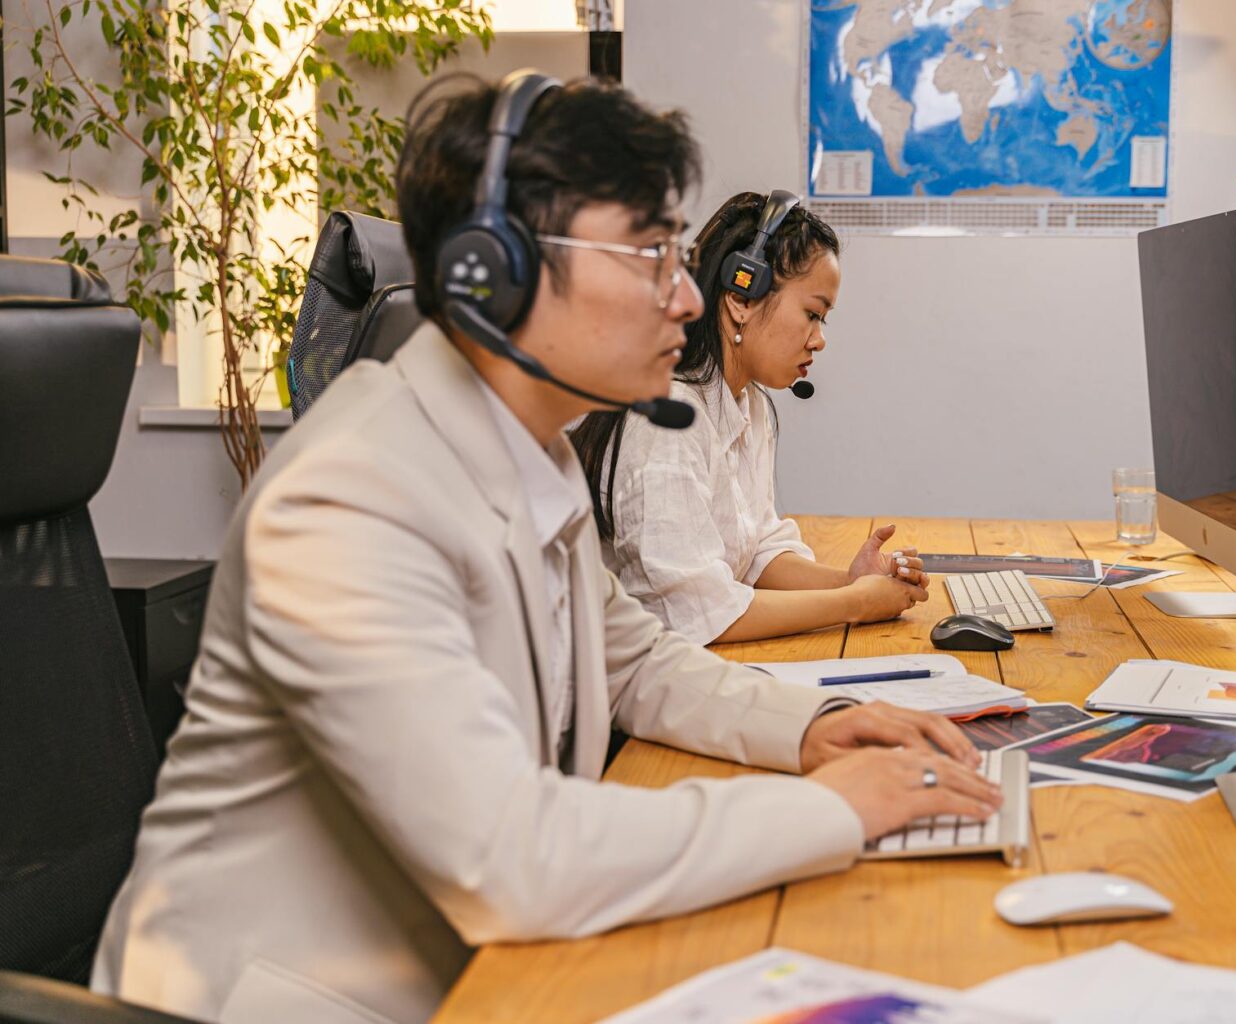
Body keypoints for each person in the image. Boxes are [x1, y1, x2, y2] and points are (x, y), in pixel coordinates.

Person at [89, 73, 999, 1024]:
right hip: (290, 1000)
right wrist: (837, 810)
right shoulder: (348, 495)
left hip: (476, 965)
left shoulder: (536, 449)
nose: (689, 298)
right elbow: (507, 858)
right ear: (497, 271)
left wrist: (812, 729)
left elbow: (639, 660)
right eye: (651, 256)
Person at [570, 192, 930, 645]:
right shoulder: (666, 421)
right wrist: (857, 603)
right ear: (742, 296)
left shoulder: (748, 404)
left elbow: (758, 553)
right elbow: (700, 615)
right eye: (812, 314)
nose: (820, 340)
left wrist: (852, 581)